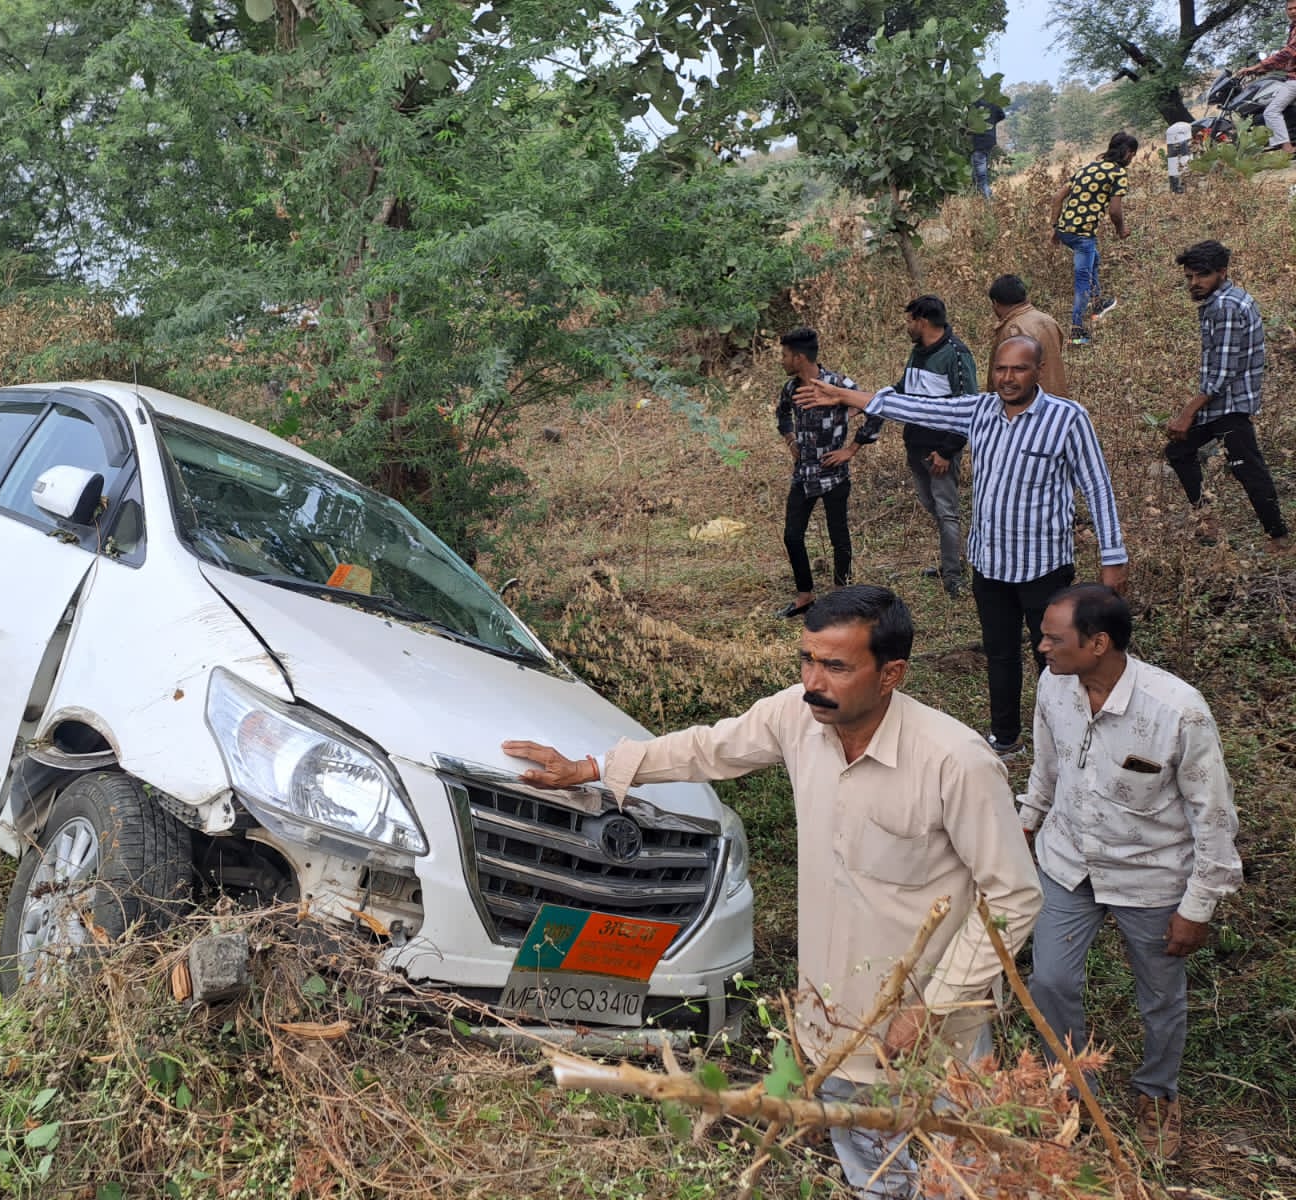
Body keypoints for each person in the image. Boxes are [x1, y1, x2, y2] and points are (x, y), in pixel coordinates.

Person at [503, 586, 1042, 1199]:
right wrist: (593, 767)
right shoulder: (798, 715)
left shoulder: (955, 761)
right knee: (873, 1170)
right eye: (807, 659)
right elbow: (710, 746)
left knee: (958, 1174)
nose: (813, 680)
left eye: (835, 666)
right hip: (834, 1011)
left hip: (933, 1032)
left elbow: (1015, 894)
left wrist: (933, 1006)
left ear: (892, 673)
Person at [798, 337, 1129, 759]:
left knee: (1055, 658)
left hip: (1044, 566)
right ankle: (1006, 738)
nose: (1008, 378)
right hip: (990, 564)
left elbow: (1097, 487)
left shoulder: (1067, 419)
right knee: (999, 653)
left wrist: (1112, 557)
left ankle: (1068, 740)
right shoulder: (979, 410)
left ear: (1039, 370)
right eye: (1001, 369)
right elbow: (913, 407)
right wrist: (845, 394)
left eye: (1019, 369)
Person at [1019, 584, 1242, 1161]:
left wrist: (1198, 907)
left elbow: (1213, 813)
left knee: (1160, 996)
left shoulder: (1177, 711)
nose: (1040, 646)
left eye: (1053, 637)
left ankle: (1156, 1093)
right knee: (1052, 982)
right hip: (1068, 862)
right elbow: (1048, 764)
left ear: (1098, 643)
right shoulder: (1053, 685)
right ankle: (1069, 1090)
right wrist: (1026, 823)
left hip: (1151, 877)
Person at [1165, 240, 1290, 551]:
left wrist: (1187, 412)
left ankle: (1280, 538)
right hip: (1223, 403)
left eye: (1201, 276)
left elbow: (1222, 372)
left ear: (1222, 272)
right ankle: (1207, 522)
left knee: (1248, 467)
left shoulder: (1225, 307)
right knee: (1179, 452)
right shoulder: (1224, 300)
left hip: (1229, 404)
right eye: (1189, 277)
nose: (1194, 283)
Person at [773, 328, 883, 618]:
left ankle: (840, 595)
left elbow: (875, 410)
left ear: (799, 357)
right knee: (792, 536)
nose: (781, 361)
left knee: (839, 536)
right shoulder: (791, 388)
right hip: (804, 475)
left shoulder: (839, 384)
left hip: (834, 474)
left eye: (784, 355)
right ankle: (805, 595)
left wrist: (852, 449)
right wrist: (790, 441)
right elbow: (782, 414)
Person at [898, 296, 976, 598]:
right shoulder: (918, 353)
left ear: (923, 321)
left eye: (909, 321)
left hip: (939, 450)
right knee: (931, 505)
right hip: (916, 445)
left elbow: (967, 407)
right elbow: (904, 389)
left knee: (947, 511)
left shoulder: (956, 354)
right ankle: (952, 559)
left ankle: (953, 576)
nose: (907, 327)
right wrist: (869, 403)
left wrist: (947, 450)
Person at [1052, 132, 1137, 345]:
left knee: (1094, 260)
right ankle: (1077, 331)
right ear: (1127, 153)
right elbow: (1115, 211)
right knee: (1082, 280)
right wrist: (1121, 230)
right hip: (1082, 236)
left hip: (1065, 230)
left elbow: (1057, 197)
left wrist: (1055, 228)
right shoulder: (1118, 173)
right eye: (1132, 155)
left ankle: (1097, 302)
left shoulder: (1087, 168)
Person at [987, 275, 1067, 399]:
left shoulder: (1011, 330)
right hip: (1057, 400)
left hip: (1028, 404)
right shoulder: (1049, 321)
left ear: (995, 303)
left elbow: (1008, 377)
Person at [1234, 0, 1296, 156]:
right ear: (1286, 11)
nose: (1293, 11)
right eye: (1290, 8)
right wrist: (1260, 70)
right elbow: (1288, 61)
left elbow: (1287, 53)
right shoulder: (1293, 29)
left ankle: (1287, 148)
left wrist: (1255, 67)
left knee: (1271, 112)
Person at [970, 98, 1008, 198]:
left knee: (981, 176)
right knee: (979, 174)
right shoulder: (993, 103)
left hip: (979, 141)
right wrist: (992, 121)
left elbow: (968, 120)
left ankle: (988, 201)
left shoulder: (975, 103)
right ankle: (983, 199)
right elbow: (1002, 115)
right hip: (990, 140)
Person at [1165, 120, 1193, 193]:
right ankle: (1183, 186)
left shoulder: (1171, 131)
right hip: (1182, 136)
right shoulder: (1186, 131)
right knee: (1183, 161)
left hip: (1173, 137)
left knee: (1174, 164)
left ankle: (1176, 188)